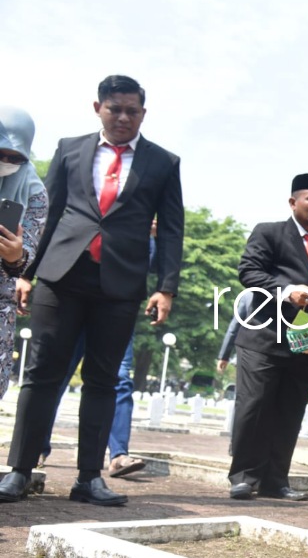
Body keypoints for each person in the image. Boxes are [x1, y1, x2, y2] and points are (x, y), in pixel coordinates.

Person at [0, 76, 183, 506]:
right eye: (114, 108)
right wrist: (25, 271)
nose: (122, 117)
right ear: (97, 107)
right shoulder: (70, 148)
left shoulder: (163, 162)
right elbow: (50, 212)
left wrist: (166, 287)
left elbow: (172, 229)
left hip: (120, 284)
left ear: (143, 113)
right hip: (61, 276)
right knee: (42, 375)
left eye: (131, 111)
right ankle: (19, 471)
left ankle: (88, 478)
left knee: (102, 381)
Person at [227, 173, 308, 502]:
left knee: (290, 411)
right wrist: (287, 291)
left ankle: (276, 480)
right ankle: (244, 478)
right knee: (253, 407)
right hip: (262, 336)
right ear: (293, 202)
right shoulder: (269, 232)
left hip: (306, 343)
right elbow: (248, 271)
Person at [32, 221, 159, 475]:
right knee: (56, 374)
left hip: (114, 308)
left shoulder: (139, 216)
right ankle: (36, 447)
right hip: (73, 300)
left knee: (120, 379)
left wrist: (147, 234)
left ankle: (119, 454)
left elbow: (146, 265)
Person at [0, 107, 48, 397]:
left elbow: (24, 257)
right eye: (1, 153)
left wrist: (15, 256)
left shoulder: (35, 193)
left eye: (15, 158)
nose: (7, 162)